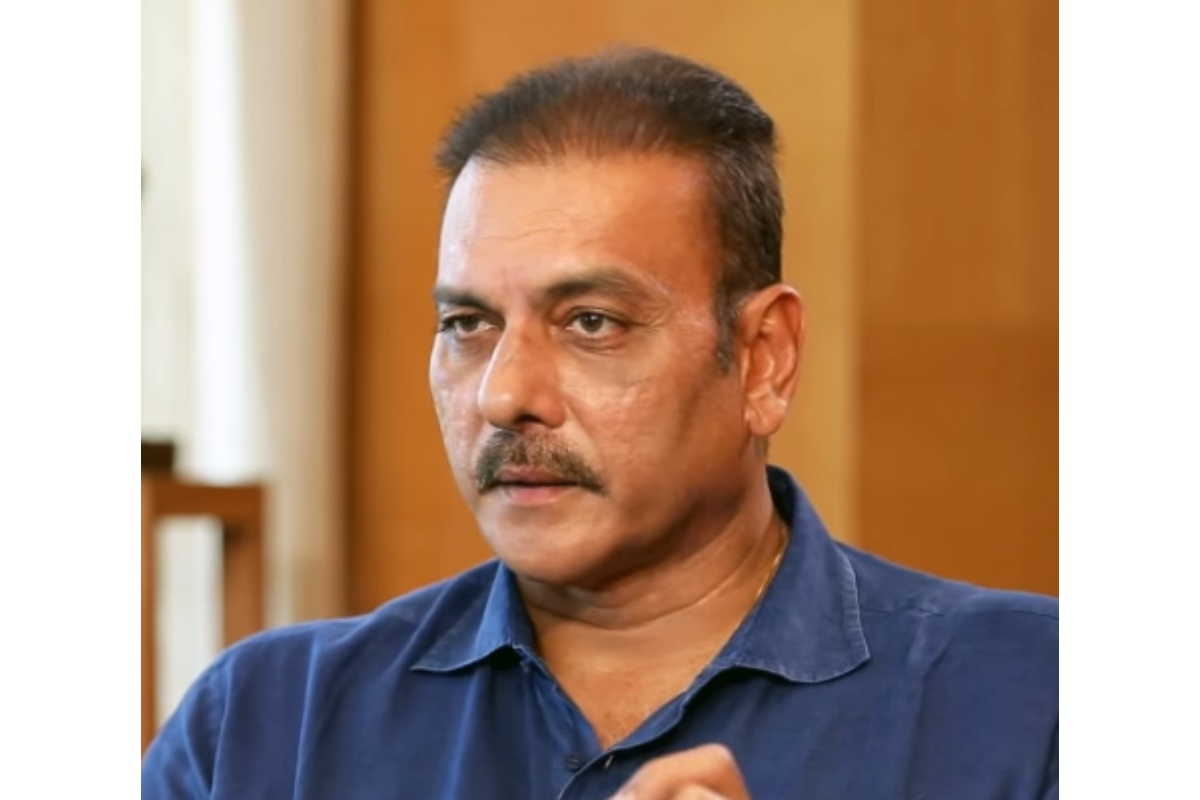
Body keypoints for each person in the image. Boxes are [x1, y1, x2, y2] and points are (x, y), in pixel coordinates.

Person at [142, 46, 1058, 799]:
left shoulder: (1038, 704)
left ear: (763, 359)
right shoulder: (263, 728)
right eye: (468, 325)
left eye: (591, 323)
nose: (504, 394)